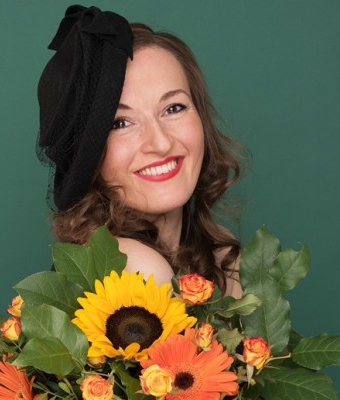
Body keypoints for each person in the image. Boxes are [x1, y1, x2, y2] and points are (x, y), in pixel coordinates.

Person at [37, 5, 244, 298]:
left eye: (173, 108)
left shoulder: (220, 256)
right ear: (88, 156)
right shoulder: (135, 267)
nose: (160, 143)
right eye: (120, 123)